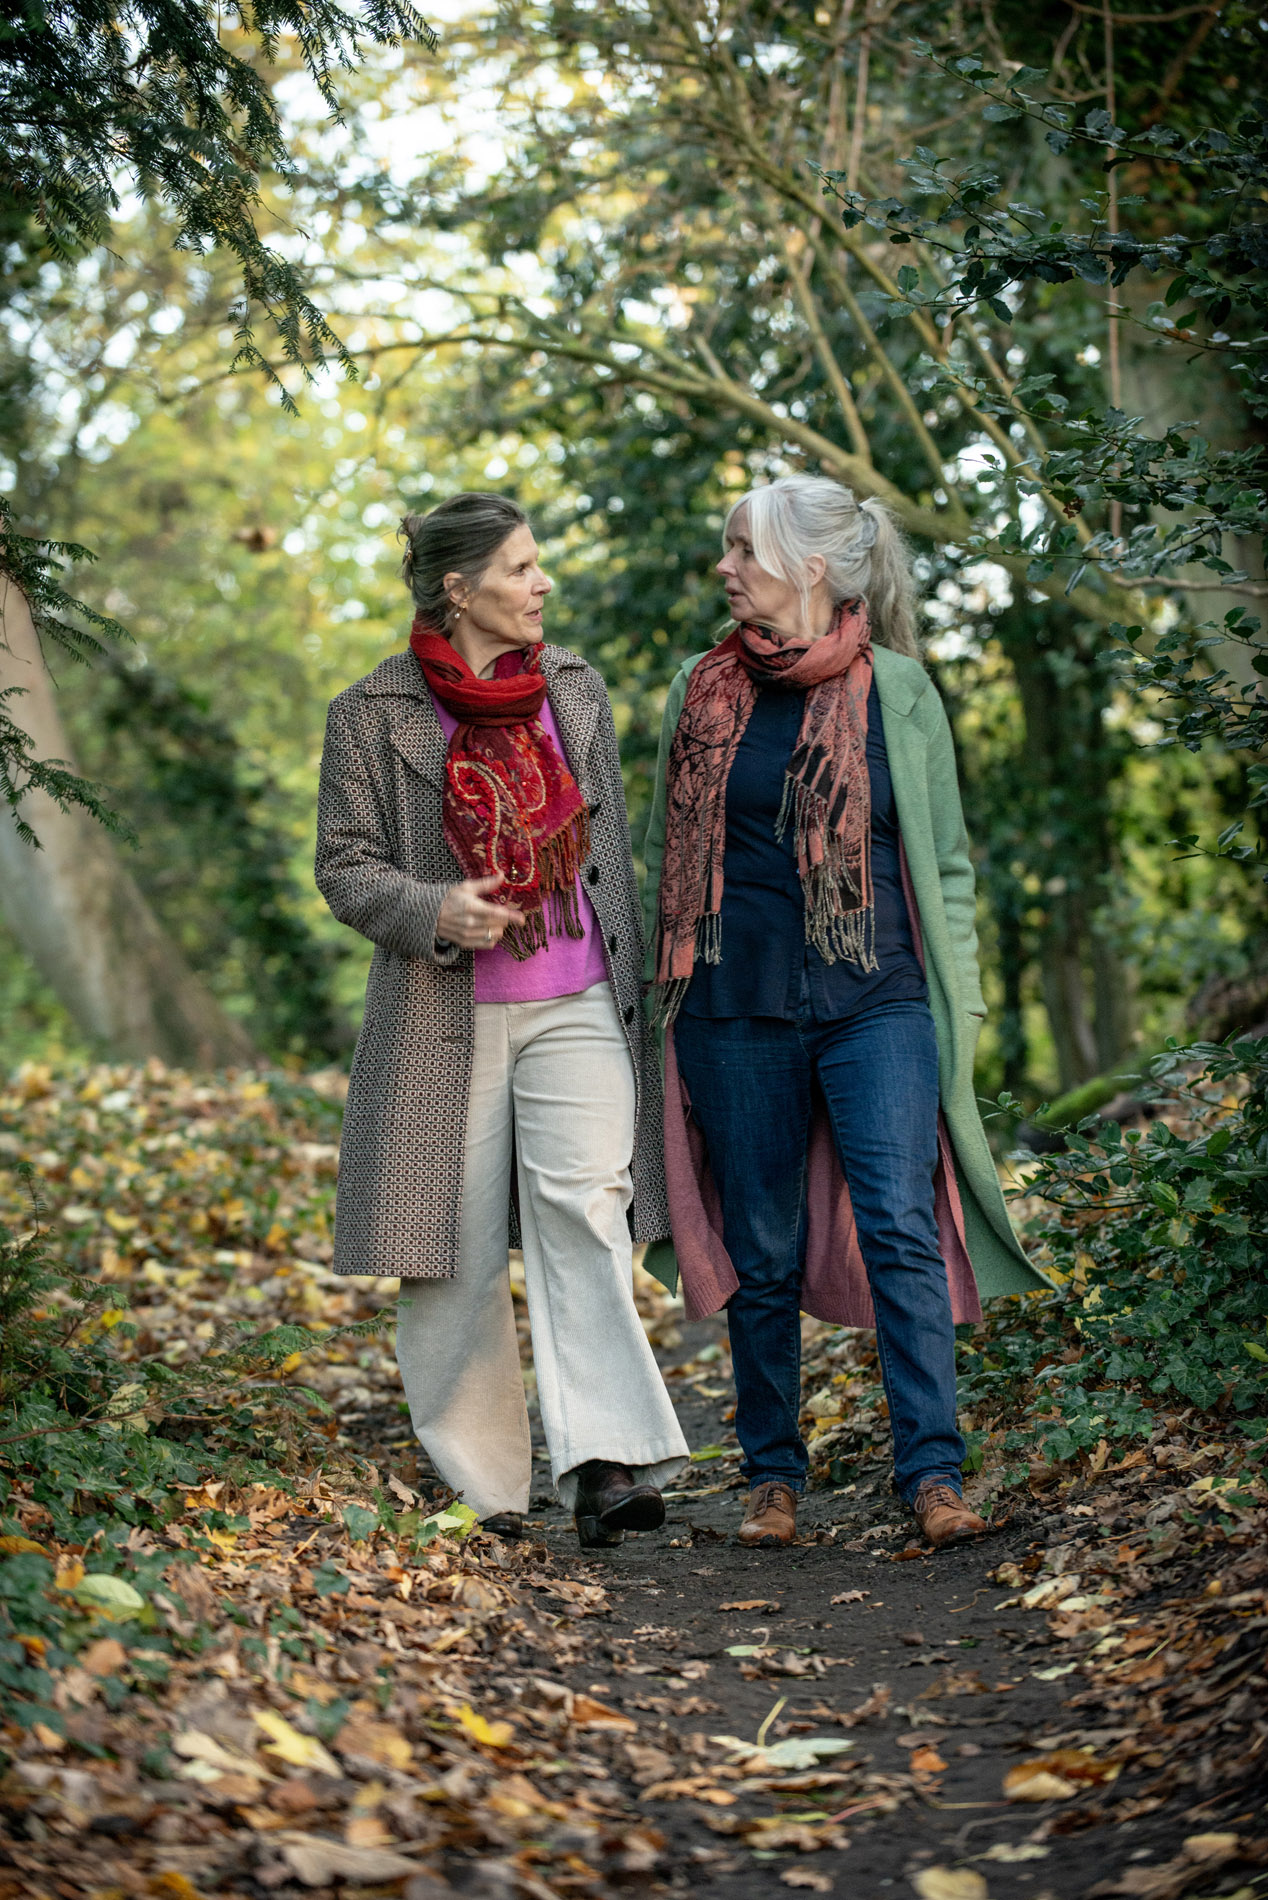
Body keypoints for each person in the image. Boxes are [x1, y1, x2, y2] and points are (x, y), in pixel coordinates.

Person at [642, 474, 1045, 1551]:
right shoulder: (698, 688)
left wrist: (960, 1003)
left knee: (900, 1225)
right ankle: (772, 1477)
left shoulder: (898, 691)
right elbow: (664, 853)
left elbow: (944, 864)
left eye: (744, 549)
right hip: (732, 1001)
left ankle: (932, 1472)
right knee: (760, 1244)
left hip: (877, 997)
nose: (725, 568)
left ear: (809, 566)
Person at [316, 492, 688, 1548]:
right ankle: (484, 1484)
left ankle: (605, 1462)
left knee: (586, 1215)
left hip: (580, 995)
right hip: (445, 1012)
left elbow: (607, 850)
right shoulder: (370, 711)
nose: (541, 583)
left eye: (537, 565)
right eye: (521, 568)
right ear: (458, 586)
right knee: (454, 1245)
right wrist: (436, 909)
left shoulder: (572, 687)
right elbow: (343, 866)